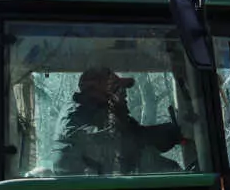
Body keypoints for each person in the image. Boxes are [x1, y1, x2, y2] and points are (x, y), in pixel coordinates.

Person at [54, 67, 182, 176]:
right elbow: (112, 141)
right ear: (95, 91)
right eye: (118, 90)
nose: (124, 95)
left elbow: (140, 135)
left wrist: (176, 131)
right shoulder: (75, 116)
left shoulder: (106, 114)